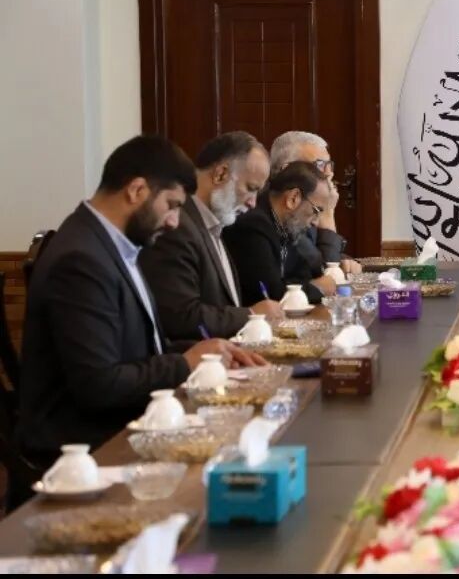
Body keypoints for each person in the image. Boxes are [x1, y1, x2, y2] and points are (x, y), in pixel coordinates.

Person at [16, 136, 265, 470]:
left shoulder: (115, 245)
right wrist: (185, 364)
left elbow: (141, 349)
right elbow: (99, 385)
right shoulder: (81, 259)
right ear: (136, 191)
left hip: (123, 424)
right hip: (85, 450)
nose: (175, 221)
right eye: (172, 205)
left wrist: (209, 352)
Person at [141, 132, 284, 341]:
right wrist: (251, 314)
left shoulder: (213, 223)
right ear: (220, 174)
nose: (253, 203)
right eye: (250, 189)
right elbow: (181, 317)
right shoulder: (177, 227)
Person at [223, 161, 338, 305]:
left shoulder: (286, 223)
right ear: (293, 198)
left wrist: (304, 285)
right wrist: (317, 288)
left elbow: (303, 275)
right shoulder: (253, 225)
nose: (316, 222)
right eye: (316, 211)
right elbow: (271, 294)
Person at [269, 131, 362, 278]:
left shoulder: (306, 203)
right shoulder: (281, 209)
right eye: (320, 165)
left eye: (329, 165)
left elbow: (315, 254)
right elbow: (321, 273)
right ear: (287, 169)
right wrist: (327, 215)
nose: (329, 173)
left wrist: (343, 261)